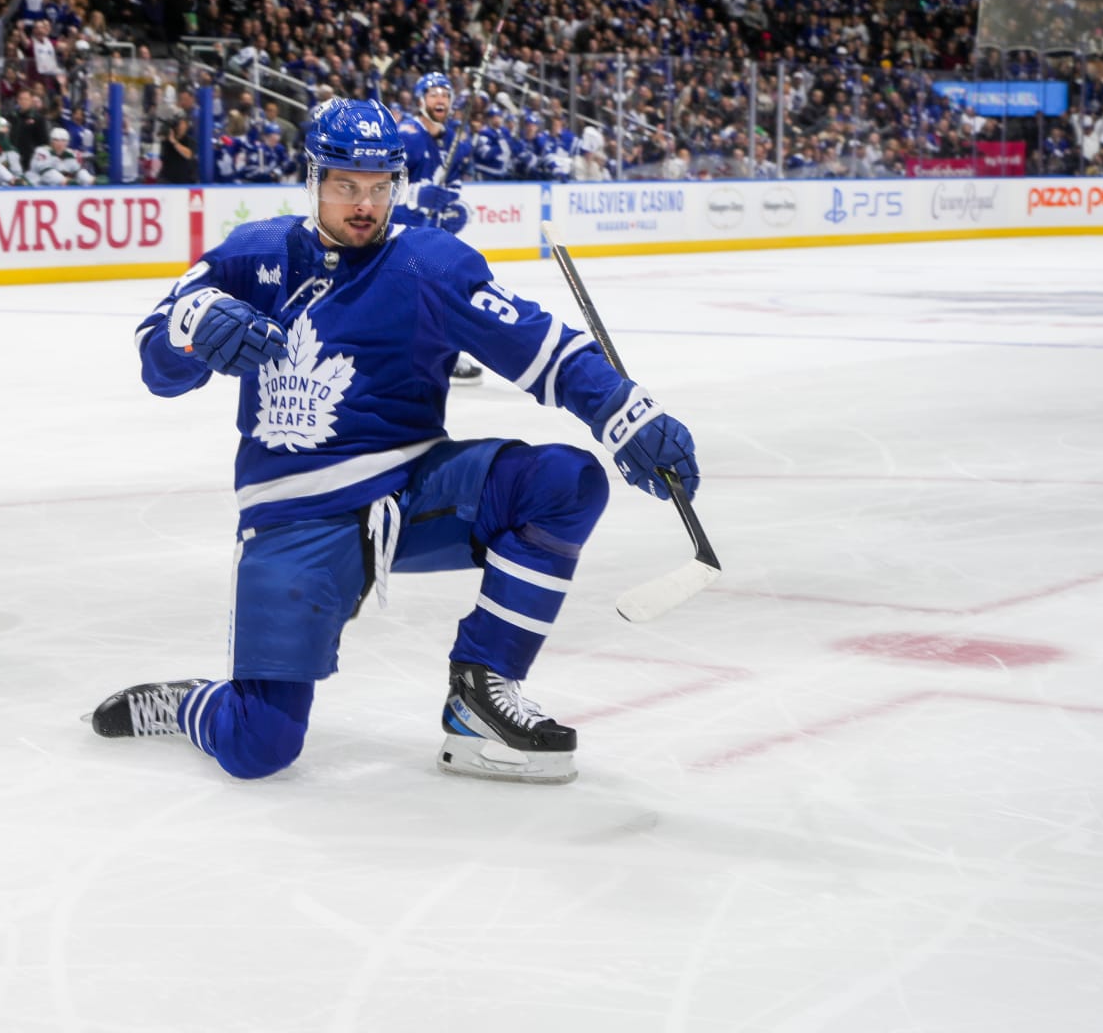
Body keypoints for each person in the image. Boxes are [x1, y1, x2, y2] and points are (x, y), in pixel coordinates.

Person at [89, 98, 700, 785]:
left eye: (379, 187)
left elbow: (545, 348)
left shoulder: (428, 265)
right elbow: (155, 363)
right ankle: (194, 705)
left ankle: (480, 697)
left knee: (563, 482)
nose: (364, 204)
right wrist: (192, 326)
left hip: (412, 489)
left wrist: (626, 411)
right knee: (259, 747)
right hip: (293, 513)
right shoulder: (250, 256)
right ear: (313, 179)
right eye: (347, 185)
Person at [394, 72, 482, 384]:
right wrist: (416, 195)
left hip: (429, 236)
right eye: (432, 94)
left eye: (444, 93)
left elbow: (453, 190)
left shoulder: (458, 142)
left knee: (445, 290)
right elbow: (377, 186)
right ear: (420, 101)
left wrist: (456, 210)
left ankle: (446, 355)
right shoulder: (407, 135)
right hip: (395, 235)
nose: (440, 99)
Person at [26, 125, 93, 185]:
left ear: (67, 143)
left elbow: (78, 171)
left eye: (63, 140)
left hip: (54, 189)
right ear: (51, 141)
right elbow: (46, 173)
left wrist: (90, 179)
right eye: (56, 140)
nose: (60, 144)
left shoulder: (70, 154)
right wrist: (65, 181)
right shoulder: (41, 152)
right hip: (32, 187)